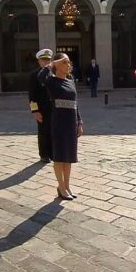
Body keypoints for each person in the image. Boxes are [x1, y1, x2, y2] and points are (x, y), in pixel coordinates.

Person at [39, 52, 83, 200]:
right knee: (59, 156)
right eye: (64, 62)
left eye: (69, 62)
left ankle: (66, 186)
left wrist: (79, 122)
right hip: (59, 123)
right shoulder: (51, 81)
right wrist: (50, 64)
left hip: (71, 123)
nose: (68, 65)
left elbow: (75, 104)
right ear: (57, 64)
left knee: (69, 157)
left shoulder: (71, 81)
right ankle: (61, 187)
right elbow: (40, 78)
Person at [29, 49, 54, 163]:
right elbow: (32, 95)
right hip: (42, 109)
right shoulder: (34, 75)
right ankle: (44, 154)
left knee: (53, 130)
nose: (46, 62)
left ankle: (52, 152)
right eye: (44, 60)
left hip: (54, 107)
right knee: (43, 131)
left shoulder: (54, 73)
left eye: (48, 59)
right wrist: (35, 111)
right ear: (39, 61)